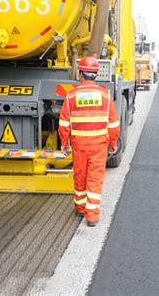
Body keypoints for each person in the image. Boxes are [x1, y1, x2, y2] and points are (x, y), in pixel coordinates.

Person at [58, 56, 120, 227]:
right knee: (94, 178)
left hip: (79, 144)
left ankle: (80, 208)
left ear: (81, 74)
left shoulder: (71, 95)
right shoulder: (105, 95)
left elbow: (64, 123)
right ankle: (92, 216)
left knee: (80, 175)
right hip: (99, 145)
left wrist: (64, 143)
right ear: (96, 74)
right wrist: (113, 143)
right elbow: (113, 124)